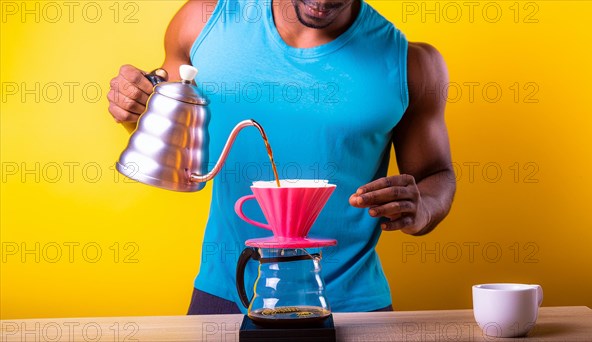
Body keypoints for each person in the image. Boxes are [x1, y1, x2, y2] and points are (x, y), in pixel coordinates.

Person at [107, 0, 456, 314]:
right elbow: (165, 127)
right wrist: (134, 107)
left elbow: (436, 174)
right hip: (226, 293)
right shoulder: (202, 22)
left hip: (352, 303)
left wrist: (422, 207)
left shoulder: (411, 63)